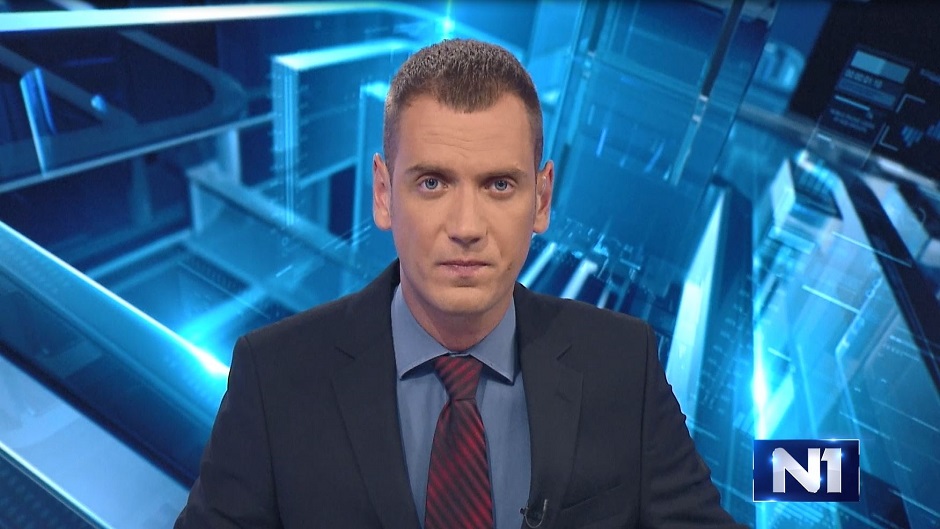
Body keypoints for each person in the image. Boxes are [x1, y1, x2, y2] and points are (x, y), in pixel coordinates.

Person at [175, 38, 747, 529]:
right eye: (432, 183)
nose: (467, 227)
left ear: (542, 199)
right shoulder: (275, 377)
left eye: (499, 185)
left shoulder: (624, 364)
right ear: (383, 194)